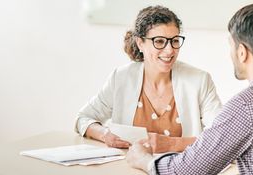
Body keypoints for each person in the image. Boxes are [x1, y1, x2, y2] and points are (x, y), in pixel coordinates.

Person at [126, 3, 253, 174]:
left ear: (242, 52)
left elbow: (186, 171)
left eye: (231, 45)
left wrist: (144, 160)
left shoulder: (246, 106)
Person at [74, 5, 222, 153]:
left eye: (175, 40)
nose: (170, 50)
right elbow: (83, 118)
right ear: (140, 43)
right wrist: (105, 134)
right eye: (159, 41)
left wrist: (173, 145)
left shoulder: (200, 80)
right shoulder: (121, 78)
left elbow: (221, 136)